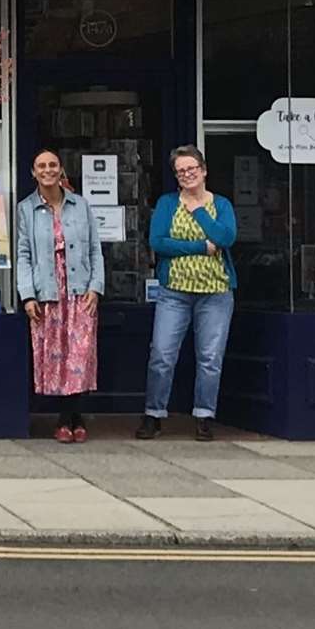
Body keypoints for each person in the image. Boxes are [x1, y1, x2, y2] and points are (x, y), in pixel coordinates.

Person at [139, 144, 238, 442]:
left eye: (191, 169)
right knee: (162, 355)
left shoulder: (220, 205)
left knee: (210, 357)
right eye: (181, 171)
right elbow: (158, 242)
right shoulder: (168, 203)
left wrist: (197, 211)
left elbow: (226, 237)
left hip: (216, 293)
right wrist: (200, 247)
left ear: (204, 170)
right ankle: (153, 414)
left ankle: (204, 416)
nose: (186, 175)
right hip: (174, 293)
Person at [14, 148, 104, 443]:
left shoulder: (81, 206)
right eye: (41, 165)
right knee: (56, 357)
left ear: (61, 169)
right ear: (33, 172)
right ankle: (69, 418)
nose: (48, 170)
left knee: (78, 356)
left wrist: (95, 287)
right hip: (48, 292)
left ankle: (70, 418)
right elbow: (23, 254)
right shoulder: (26, 209)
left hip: (80, 291)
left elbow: (94, 249)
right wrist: (27, 295)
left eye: (53, 165)